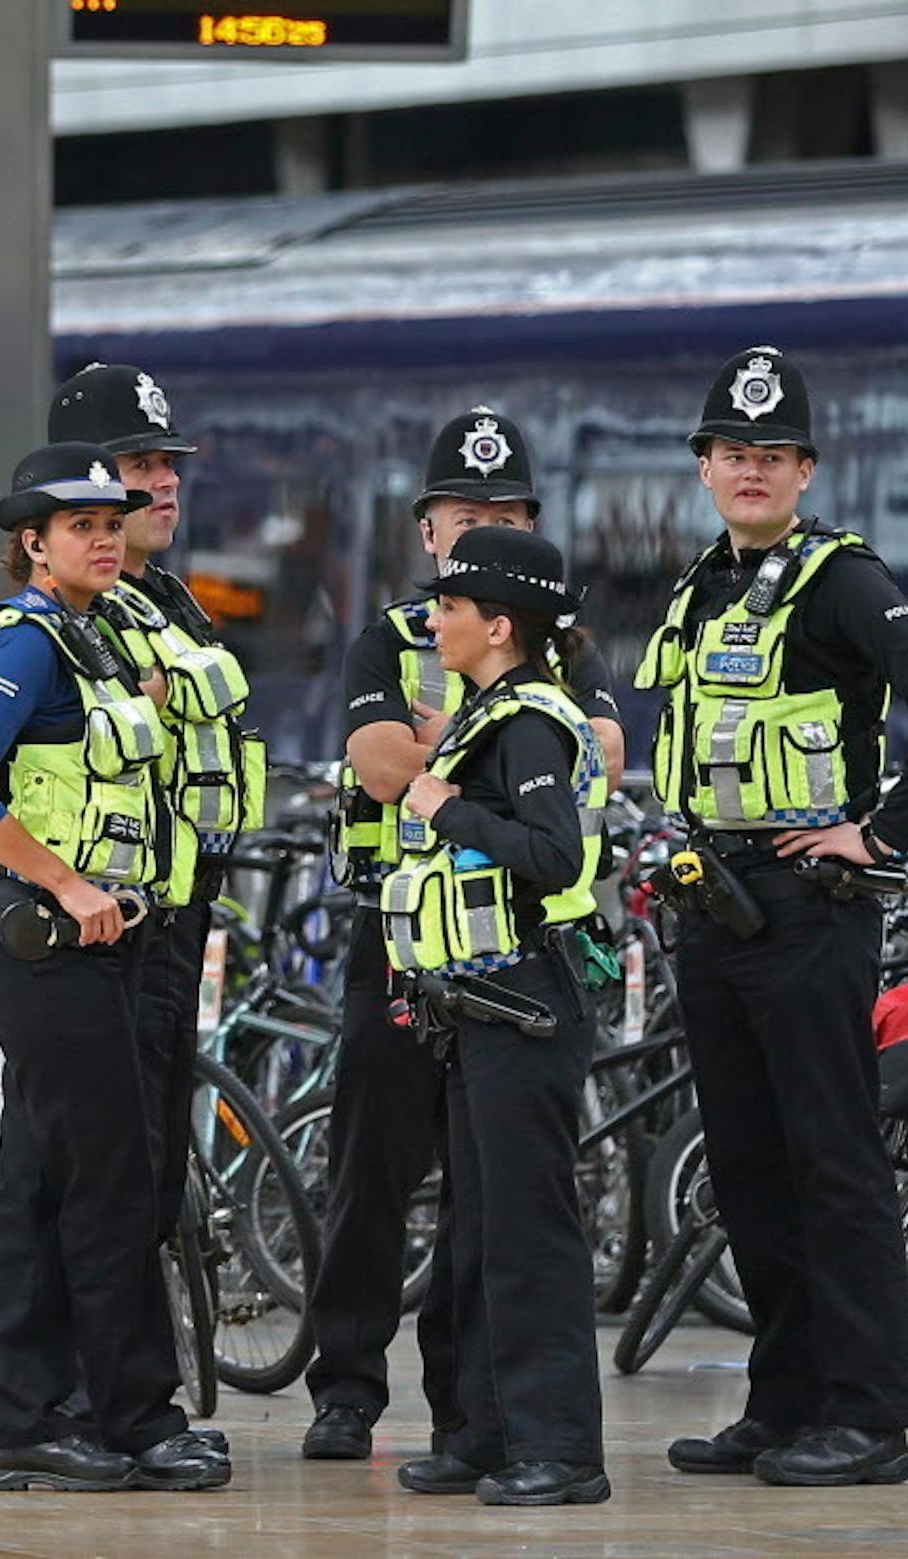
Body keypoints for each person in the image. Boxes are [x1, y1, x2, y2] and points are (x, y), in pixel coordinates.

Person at [635, 346, 908, 1486]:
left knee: (832, 1160)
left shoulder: (838, 579)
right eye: (733, 453)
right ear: (704, 468)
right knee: (745, 1164)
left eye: (771, 455)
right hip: (716, 906)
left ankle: (869, 1415)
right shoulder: (708, 582)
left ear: (806, 469)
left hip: (807, 908)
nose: (751, 471)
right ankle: (781, 1402)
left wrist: (877, 835)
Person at [300, 407, 623, 1462]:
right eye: (465, 512)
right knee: (372, 1166)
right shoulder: (395, 636)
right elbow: (381, 762)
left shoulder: (544, 648)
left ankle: (468, 1411)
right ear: (426, 527)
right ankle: (346, 1385)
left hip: (503, 951)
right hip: (397, 935)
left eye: (505, 512)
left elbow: (606, 749)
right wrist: (452, 758)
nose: (481, 523)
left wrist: (452, 757)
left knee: (491, 1191)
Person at [0, 442, 229, 1493]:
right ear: (33, 544)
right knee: (110, 1182)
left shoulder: (93, 638)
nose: (104, 537)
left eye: (114, 521)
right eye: (80, 525)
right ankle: (139, 1419)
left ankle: (20, 1418)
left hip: (82, 950)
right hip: (43, 945)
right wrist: (67, 881)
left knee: (47, 1183)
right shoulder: (29, 644)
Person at [380, 524, 611, 1505]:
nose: (434, 619)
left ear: (499, 623)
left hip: (526, 994)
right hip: (479, 999)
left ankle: (560, 1448)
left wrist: (442, 806)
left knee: (530, 1229)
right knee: (475, 1227)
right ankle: (482, 1431)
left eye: (451, 606)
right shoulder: (487, 711)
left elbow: (553, 853)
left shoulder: (526, 724)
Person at [48, 363, 264, 1257]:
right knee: (117, 1164)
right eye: (141, 464)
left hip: (178, 911)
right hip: (119, 920)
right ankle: (103, 1391)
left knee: (156, 1160)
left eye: (168, 461)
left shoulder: (170, 597)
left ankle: (136, 1384)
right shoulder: (81, 610)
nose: (167, 479)